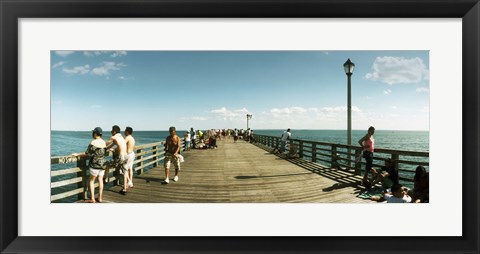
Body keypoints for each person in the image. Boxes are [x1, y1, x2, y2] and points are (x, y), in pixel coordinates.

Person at [73, 127, 107, 203]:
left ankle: (92, 198)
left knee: (91, 181)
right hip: (103, 164)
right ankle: (100, 198)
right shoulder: (104, 142)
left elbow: (87, 153)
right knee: (100, 180)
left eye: (93, 132)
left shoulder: (93, 142)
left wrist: (77, 154)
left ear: (95, 133)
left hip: (95, 164)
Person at [104, 125, 128, 195]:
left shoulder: (113, 137)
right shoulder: (122, 138)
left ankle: (105, 179)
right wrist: (111, 148)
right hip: (126, 156)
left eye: (111, 130)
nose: (111, 132)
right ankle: (124, 189)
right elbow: (114, 145)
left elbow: (105, 144)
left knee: (107, 164)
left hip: (121, 157)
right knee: (124, 172)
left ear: (114, 131)